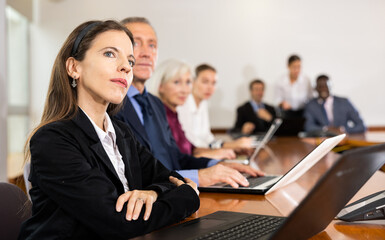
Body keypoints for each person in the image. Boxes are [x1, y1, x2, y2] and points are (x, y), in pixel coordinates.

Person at [18, 20, 200, 240]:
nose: (126, 67)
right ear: (74, 68)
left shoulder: (121, 132)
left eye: (130, 60)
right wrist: (189, 197)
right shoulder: (52, 140)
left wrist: (153, 192)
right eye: (110, 54)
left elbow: (170, 178)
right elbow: (119, 223)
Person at [115, 17, 261, 188]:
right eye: (136, 43)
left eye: (152, 45)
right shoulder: (112, 104)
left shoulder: (155, 103)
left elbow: (176, 158)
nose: (146, 53)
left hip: (177, 194)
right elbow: (134, 173)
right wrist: (199, 176)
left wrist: (216, 165)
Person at [146, 58, 236, 160]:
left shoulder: (173, 114)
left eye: (188, 82)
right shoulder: (158, 116)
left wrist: (219, 153)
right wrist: (211, 155)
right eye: (177, 82)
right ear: (160, 86)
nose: (185, 90)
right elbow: (175, 160)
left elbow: (191, 148)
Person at [177, 63, 255, 150]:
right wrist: (225, 146)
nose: (210, 87)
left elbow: (206, 136)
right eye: (205, 82)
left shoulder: (203, 103)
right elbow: (191, 142)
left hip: (201, 153)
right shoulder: (183, 104)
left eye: (214, 83)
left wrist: (227, 147)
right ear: (193, 82)